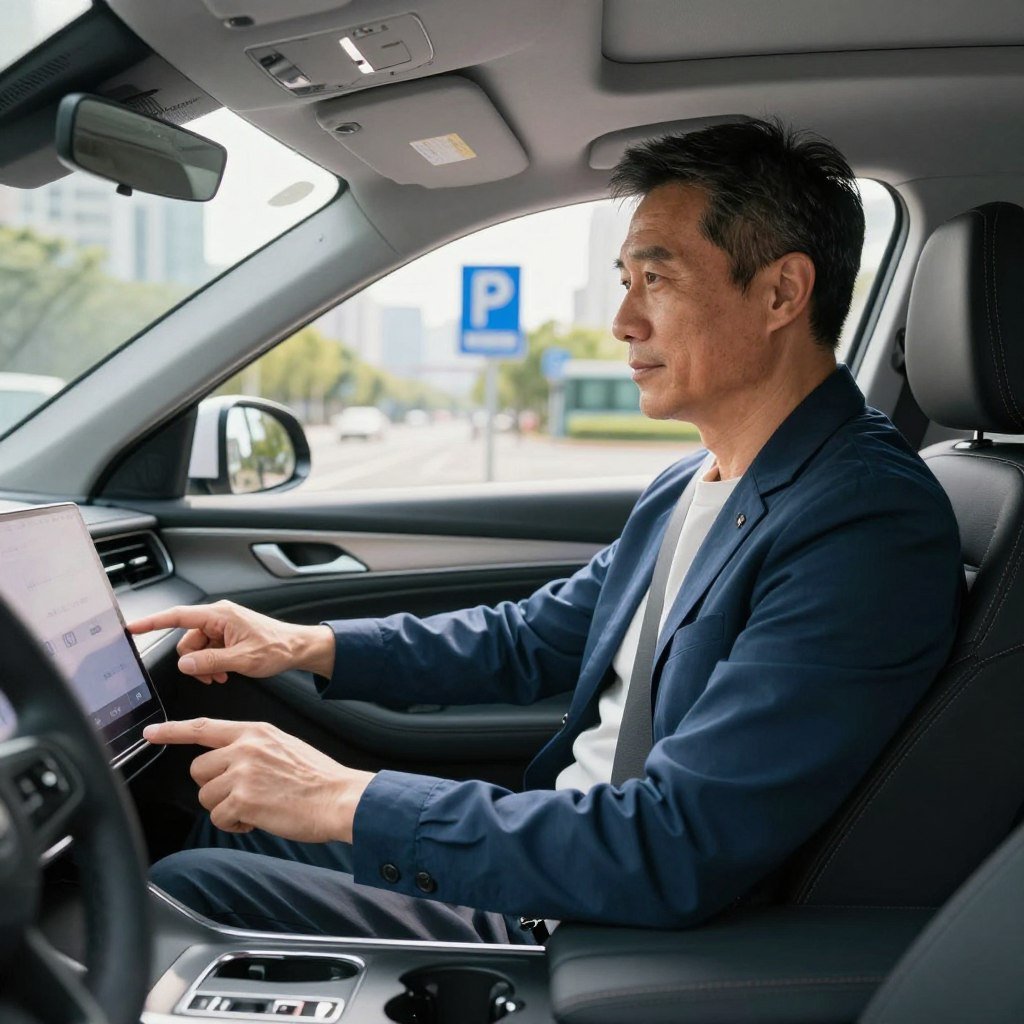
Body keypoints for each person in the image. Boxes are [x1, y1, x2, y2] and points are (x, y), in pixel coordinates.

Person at [133, 118, 963, 944]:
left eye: (656, 280)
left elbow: (674, 847)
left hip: (605, 927)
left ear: (782, 292)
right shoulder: (697, 481)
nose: (623, 322)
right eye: (625, 280)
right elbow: (531, 639)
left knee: (184, 884)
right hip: (563, 860)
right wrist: (305, 645)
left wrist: (342, 797)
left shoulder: (863, 525)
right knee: (220, 824)